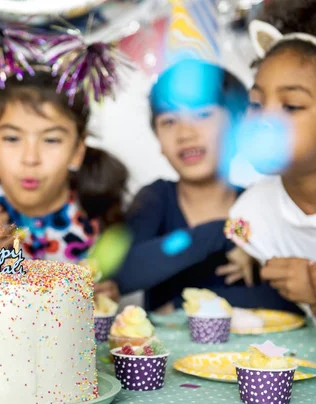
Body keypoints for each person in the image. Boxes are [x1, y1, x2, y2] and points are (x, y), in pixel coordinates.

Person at [98, 59, 300, 313]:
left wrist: (182, 304)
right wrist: (225, 232)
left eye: (202, 115)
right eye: (169, 121)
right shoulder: (156, 198)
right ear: (158, 139)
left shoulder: (262, 206)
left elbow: (291, 303)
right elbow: (122, 274)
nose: (185, 133)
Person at [0, 69, 128, 265]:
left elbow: (106, 285)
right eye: (12, 138)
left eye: (51, 140)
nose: (30, 158)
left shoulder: (96, 203)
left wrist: (107, 290)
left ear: (77, 150)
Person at [229, 0, 316, 313]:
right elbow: (236, 227)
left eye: (291, 106)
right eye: (255, 103)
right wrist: (243, 252)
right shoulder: (251, 209)